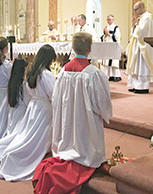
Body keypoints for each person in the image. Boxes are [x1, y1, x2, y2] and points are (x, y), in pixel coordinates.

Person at [32, 32, 112, 194]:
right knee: (87, 141)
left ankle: (69, 151)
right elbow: (102, 102)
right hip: (87, 121)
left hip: (68, 119)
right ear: (90, 49)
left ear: (73, 48)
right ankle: (86, 158)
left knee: (70, 138)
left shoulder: (63, 71)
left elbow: (56, 98)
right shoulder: (93, 73)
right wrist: (105, 114)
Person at [0, 44, 56, 181]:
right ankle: (14, 157)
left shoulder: (33, 72)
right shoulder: (47, 74)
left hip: (34, 106)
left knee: (27, 135)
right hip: (44, 108)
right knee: (34, 139)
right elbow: (52, 94)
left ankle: (5, 151)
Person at [0, 56, 29, 165]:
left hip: (13, 111)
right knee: (18, 136)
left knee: (12, 133)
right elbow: (27, 100)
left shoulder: (12, 82)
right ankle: (0, 151)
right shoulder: (23, 85)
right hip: (21, 113)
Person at [126, 1, 153, 94]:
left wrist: (137, 24)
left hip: (143, 45)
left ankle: (142, 87)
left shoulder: (147, 17)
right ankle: (135, 85)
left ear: (142, 7)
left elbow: (142, 31)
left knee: (141, 66)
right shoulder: (141, 17)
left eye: (136, 9)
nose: (135, 12)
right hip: (137, 45)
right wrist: (135, 25)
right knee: (135, 66)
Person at [101, 15, 122, 82]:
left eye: (110, 19)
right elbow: (103, 37)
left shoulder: (116, 27)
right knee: (107, 62)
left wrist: (109, 34)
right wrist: (105, 35)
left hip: (114, 47)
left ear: (113, 20)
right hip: (107, 47)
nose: (109, 21)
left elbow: (117, 37)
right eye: (108, 19)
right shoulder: (106, 27)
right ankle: (111, 76)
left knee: (114, 62)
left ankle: (117, 76)